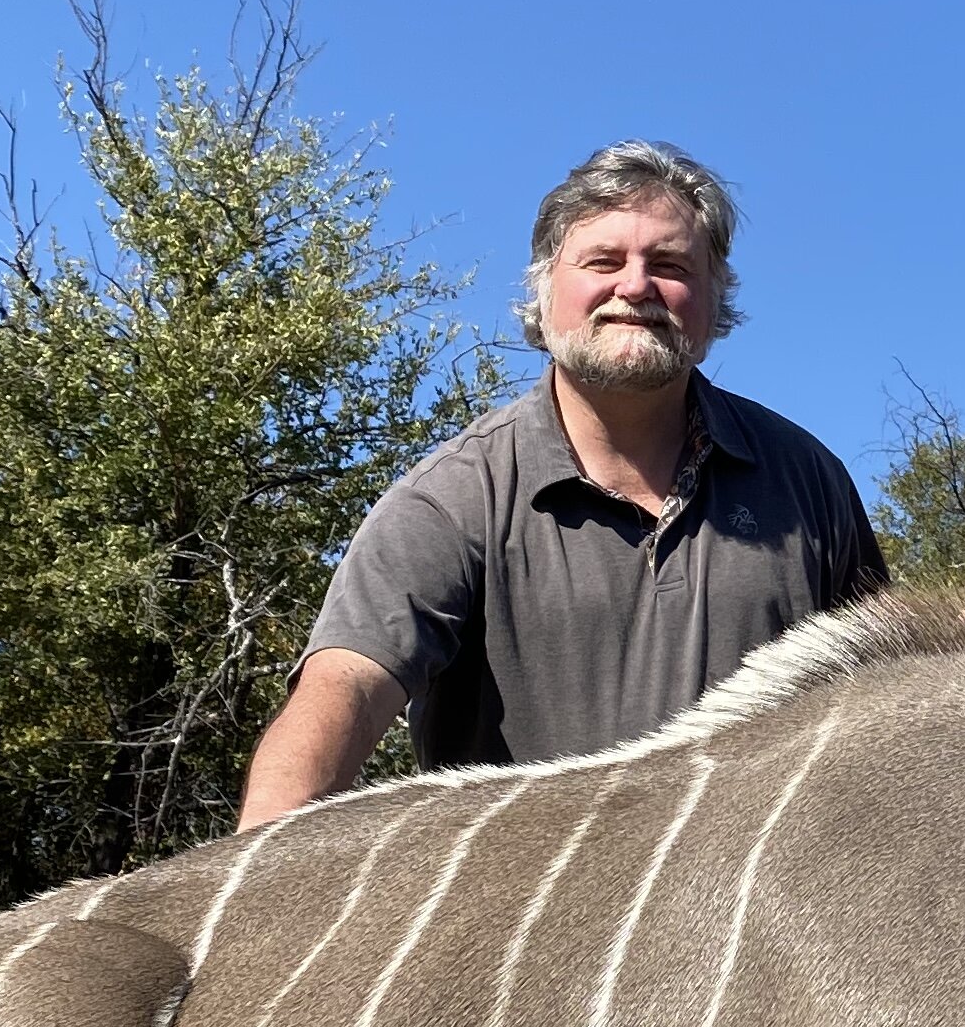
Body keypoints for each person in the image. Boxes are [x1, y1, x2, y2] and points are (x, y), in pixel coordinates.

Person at [237, 141, 884, 822]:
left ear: (715, 296)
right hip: (523, 916)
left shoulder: (808, 483)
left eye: (669, 265)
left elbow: (880, 706)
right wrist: (264, 852)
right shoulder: (456, 495)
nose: (635, 286)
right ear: (544, 293)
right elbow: (347, 684)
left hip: (747, 914)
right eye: (603, 262)